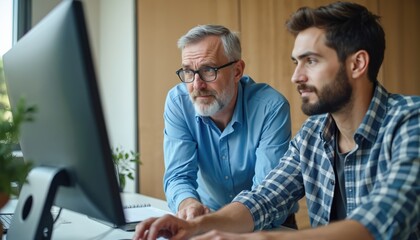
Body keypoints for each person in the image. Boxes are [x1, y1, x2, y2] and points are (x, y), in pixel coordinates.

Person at [133, 2, 420, 240]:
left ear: (356, 64)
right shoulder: (313, 135)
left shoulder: (410, 122)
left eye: (311, 61)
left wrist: (264, 238)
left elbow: (385, 218)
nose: (296, 76)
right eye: (297, 62)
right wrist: (195, 226)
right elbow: (265, 198)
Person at [163, 24, 298, 228]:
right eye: (188, 72)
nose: (197, 85)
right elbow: (178, 175)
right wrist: (188, 204)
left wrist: (221, 223)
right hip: (206, 218)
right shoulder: (178, 102)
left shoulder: (270, 107)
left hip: (268, 224)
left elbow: (268, 197)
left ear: (237, 71)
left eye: (208, 70)